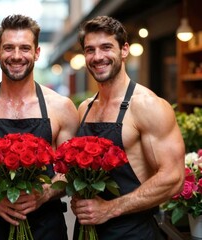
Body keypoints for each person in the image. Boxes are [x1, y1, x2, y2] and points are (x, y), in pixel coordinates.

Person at [0, 14, 79, 240]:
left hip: (47, 228)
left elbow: (69, 171)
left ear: (36, 52)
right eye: (8, 48)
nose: (16, 56)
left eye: (24, 48)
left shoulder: (61, 107)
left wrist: (43, 194)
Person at [70, 16, 185, 239]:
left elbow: (174, 178)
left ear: (124, 50)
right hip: (86, 231)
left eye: (106, 47)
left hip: (133, 232)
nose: (98, 57)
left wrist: (108, 209)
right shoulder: (85, 107)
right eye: (90, 50)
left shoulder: (147, 105)